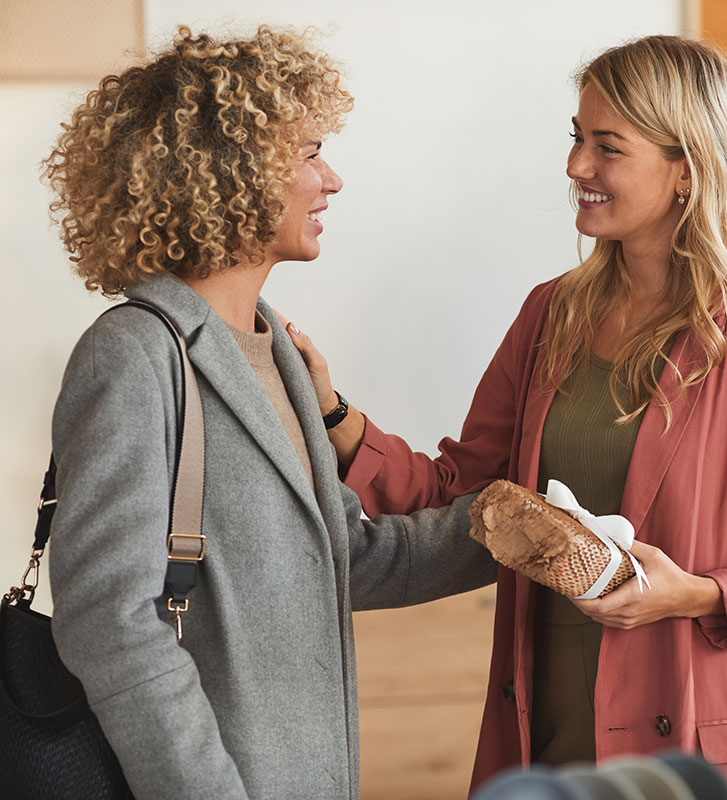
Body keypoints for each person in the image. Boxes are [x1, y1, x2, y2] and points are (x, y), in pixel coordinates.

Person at [288, 35, 727, 799]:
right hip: (553, 722)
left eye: (608, 148)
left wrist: (694, 593)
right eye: (576, 139)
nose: (576, 167)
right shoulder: (548, 314)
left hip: (703, 732)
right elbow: (466, 489)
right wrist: (332, 411)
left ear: (687, 169)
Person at [42, 27, 494, 799]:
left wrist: (499, 530)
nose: (333, 180)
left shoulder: (277, 349)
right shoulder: (135, 356)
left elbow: (335, 559)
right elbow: (107, 617)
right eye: (310, 153)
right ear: (234, 172)